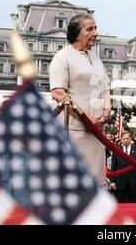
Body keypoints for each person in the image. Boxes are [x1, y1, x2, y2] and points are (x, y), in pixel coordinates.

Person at [49, 13, 111, 186]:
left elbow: (105, 88)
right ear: (77, 33)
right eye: (90, 29)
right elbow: (58, 93)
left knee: (97, 185)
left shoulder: (97, 60)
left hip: (97, 132)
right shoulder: (62, 57)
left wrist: (106, 111)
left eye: (96, 28)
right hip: (73, 131)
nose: (96, 33)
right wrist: (86, 117)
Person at [109, 132, 136, 203]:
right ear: (121, 140)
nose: (126, 140)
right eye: (124, 139)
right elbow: (113, 166)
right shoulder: (116, 150)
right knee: (120, 203)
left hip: (133, 181)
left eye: (127, 138)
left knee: (133, 203)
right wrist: (112, 181)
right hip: (120, 182)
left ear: (131, 139)